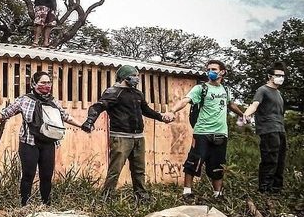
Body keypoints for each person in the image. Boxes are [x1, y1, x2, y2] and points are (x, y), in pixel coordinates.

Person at [0, 71, 84, 206]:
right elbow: (5, 113)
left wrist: (82, 125)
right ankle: (24, 205)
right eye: (43, 83)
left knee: (46, 176)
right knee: (28, 175)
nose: (46, 85)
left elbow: (65, 116)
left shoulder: (52, 101)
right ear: (34, 84)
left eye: (48, 82)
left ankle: (46, 205)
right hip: (29, 143)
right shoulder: (24, 100)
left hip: (48, 143)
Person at [80, 65, 175, 200]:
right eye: (134, 76)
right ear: (125, 77)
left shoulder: (137, 93)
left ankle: (141, 196)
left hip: (138, 137)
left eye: (137, 76)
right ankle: (107, 197)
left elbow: (146, 110)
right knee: (115, 170)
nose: (137, 79)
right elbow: (98, 107)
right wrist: (89, 121)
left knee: (139, 170)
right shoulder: (113, 92)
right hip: (120, 137)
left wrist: (161, 117)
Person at [169, 59, 245, 201]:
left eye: (214, 69)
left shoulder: (226, 90)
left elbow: (231, 105)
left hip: (221, 133)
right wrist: (172, 111)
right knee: (193, 161)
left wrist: (243, 114)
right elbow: (185, 100)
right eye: (209, 69)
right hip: (202, 132)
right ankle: (187, 192)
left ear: (222, 72)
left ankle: (218, 194)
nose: (210, 72)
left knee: (218, 164)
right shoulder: (201, 89)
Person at [243, 61, 287, 193]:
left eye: (283, 76)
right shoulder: (262, 90)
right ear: (270, 76)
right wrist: (246, 113)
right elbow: (255, 104)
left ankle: (276, 189)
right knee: (270, 160)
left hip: (280, 129)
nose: (281, 78)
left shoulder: (278, 93)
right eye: (278, 75)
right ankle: (265, 189)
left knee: (280, 160)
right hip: (268, 130)